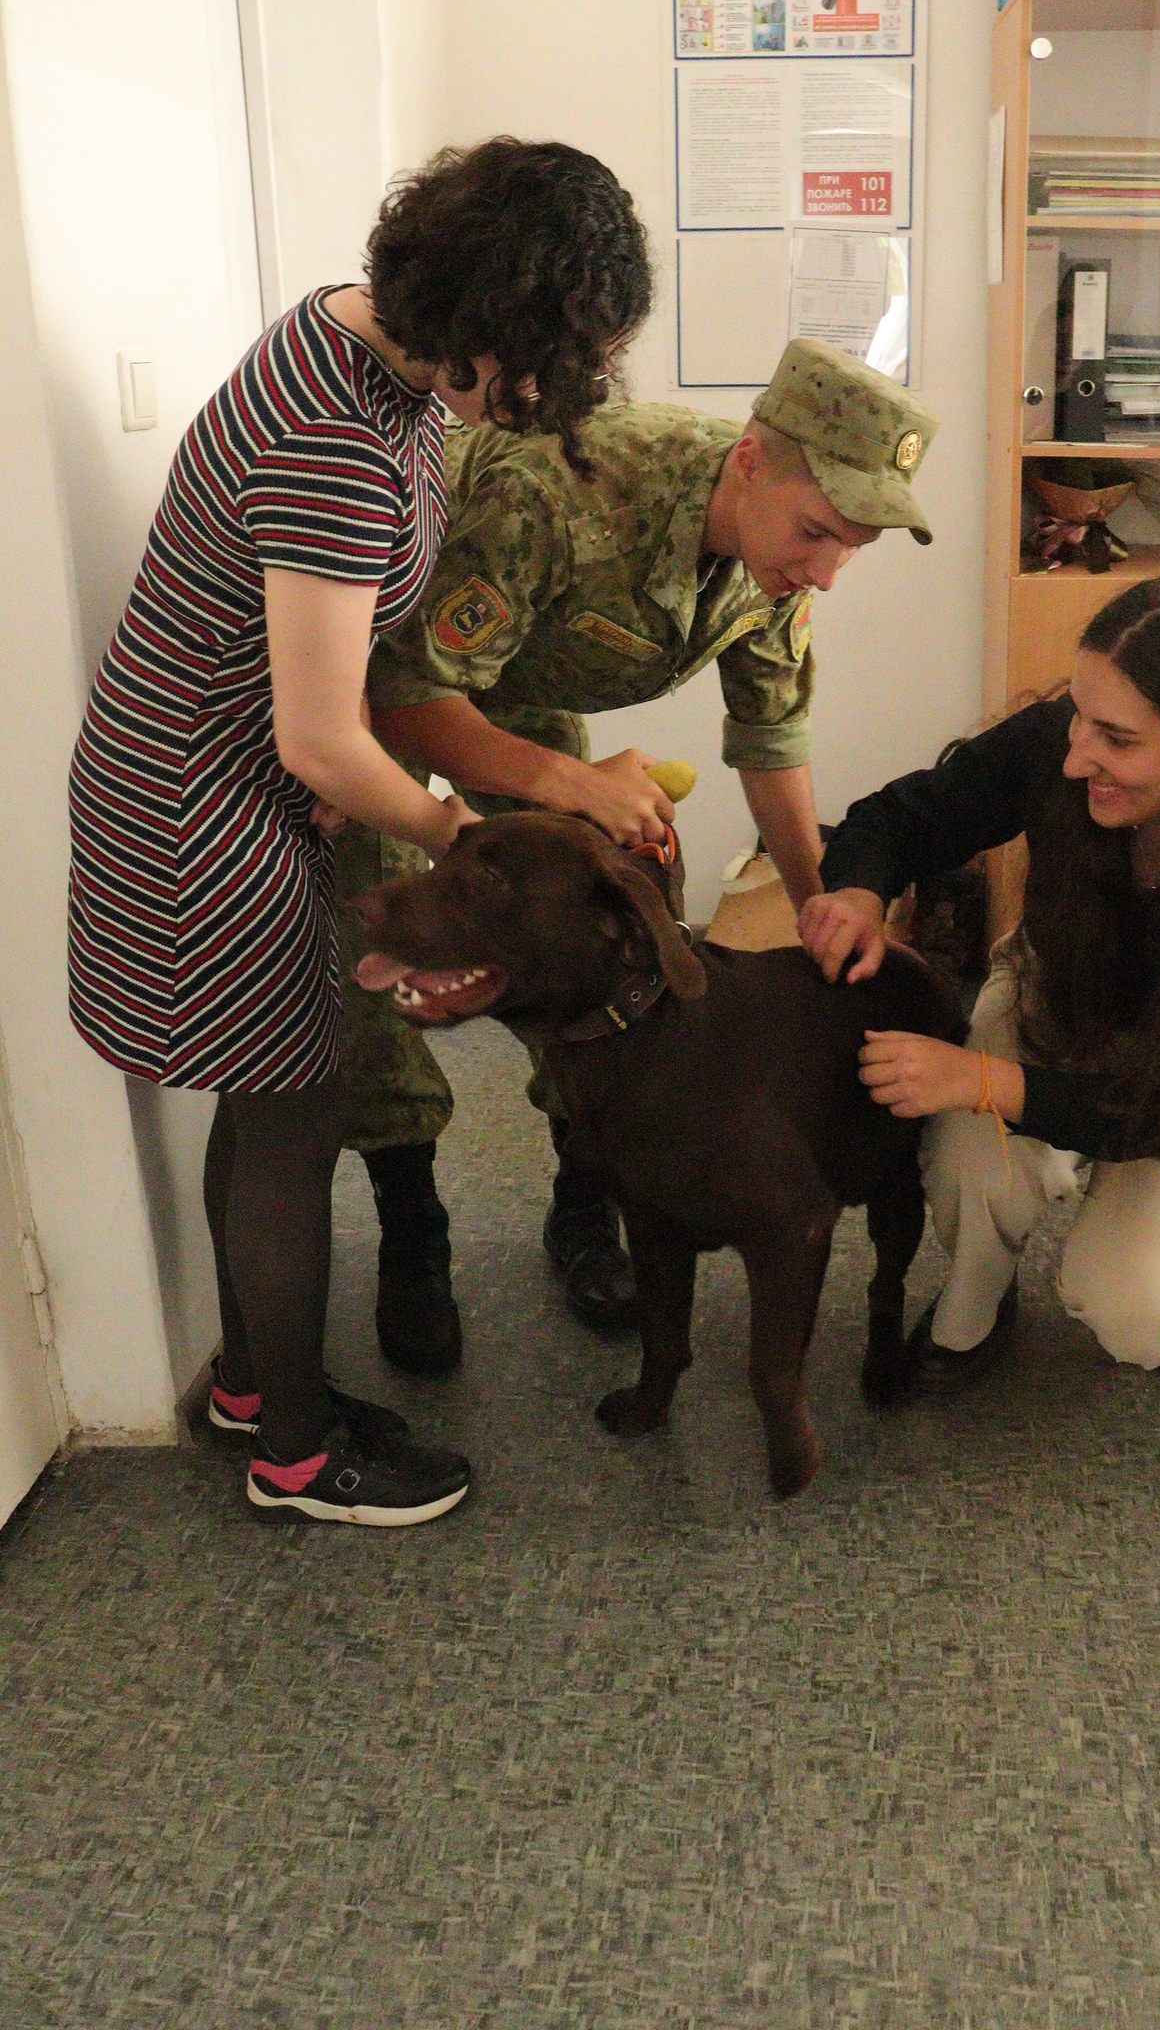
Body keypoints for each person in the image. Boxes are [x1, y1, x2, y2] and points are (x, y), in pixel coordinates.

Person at [68, 137, 653, 1525]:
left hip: (208, 771)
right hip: (202, 808)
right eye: (542, 365)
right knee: (295, 1113)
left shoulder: (357, 339)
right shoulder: (338, 439)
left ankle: (246, 1386)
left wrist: (336, 751)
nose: (542, 398)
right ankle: (296, 1453)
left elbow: (309, 685)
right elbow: (320, 740)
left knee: (260, 1092)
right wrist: (457, 832)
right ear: (486, 316)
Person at [341, 337, 939, 1363]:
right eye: (817, 534)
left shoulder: (780, 562)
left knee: (578, 921)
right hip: (377, 689)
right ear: (749, 461)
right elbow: (404, 693)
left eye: (851, 548)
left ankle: (585, 1196)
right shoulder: (562, 493)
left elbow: (770, 739)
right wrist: (570, 783)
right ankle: (410, 1219)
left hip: (520, 689)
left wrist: (820, 906)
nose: (825, 572)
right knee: (395, 932)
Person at [799, 574, 1160, 1383]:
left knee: (1144, 1309)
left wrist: (981, 1079)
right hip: (1067, 997)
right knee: (965, 1161)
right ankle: (977, 1304)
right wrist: (859, 891)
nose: (1074, 756)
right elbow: (897, 819)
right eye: (1077, 715)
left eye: (1118, 740)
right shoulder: (1062, 747)